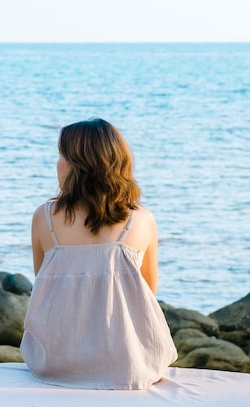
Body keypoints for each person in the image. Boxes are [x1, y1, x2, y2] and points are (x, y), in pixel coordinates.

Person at [20, 118, 177, 390]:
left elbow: (44, 285)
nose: (57, 163)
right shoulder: (141, 220)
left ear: (79, 164)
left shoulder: (44, 217)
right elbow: (147, 291)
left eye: (62, 155)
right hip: (129, 361)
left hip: (55, 361)